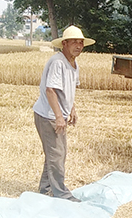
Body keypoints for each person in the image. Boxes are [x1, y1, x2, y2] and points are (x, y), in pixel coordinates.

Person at [33, 26, 95, 202]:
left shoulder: (74, 64)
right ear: (64, 44)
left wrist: (72, 109)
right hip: (48, 116)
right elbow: (50, 90)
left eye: (81, 42)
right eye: (74, 42)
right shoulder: (58, 62)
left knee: (55, 154)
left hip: (55, 115)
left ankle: (45, 189)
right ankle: (61, 194)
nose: (79, 45)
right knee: (57, 155)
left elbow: (69, 90)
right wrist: (59, 116)